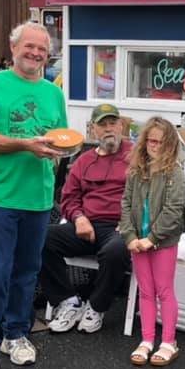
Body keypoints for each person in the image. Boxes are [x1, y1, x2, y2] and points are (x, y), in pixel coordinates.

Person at [0, 21, 67, 369]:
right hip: (0, 195)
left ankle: (16, 335)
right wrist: (26, 144)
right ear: (13, 48)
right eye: (29, 46)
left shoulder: (53, 93)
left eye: (42, 49)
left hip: (38, 197)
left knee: (26, 273)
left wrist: (59, 152)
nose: (35, 53)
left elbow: (59, 140)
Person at [39, 103, 132, 334]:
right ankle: (68, 301)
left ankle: (96, 307)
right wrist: (79, 217)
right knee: (39, 238)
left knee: (116, 251)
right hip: (86, 225)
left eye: (113, 123)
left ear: (121, 126)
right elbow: (69, 198)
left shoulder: (136, 156)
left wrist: (131, 222)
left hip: (120, 227)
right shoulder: (84, 160)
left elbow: (149, 194)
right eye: (103, 125)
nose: (109, 129)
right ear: (93, 130)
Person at [118, 117, 185, 367]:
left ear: (169, 145)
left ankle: (168, 341)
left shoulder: (174, 172)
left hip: (162, 242)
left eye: (160, 142)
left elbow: (173, 209)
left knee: (164, 290)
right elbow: (126, 204)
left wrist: (152, 238)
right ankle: (147, 339)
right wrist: (130, 236)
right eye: (150, 141)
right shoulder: (136, 171)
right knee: (146, 292)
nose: (154, 146)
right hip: (138, 240)